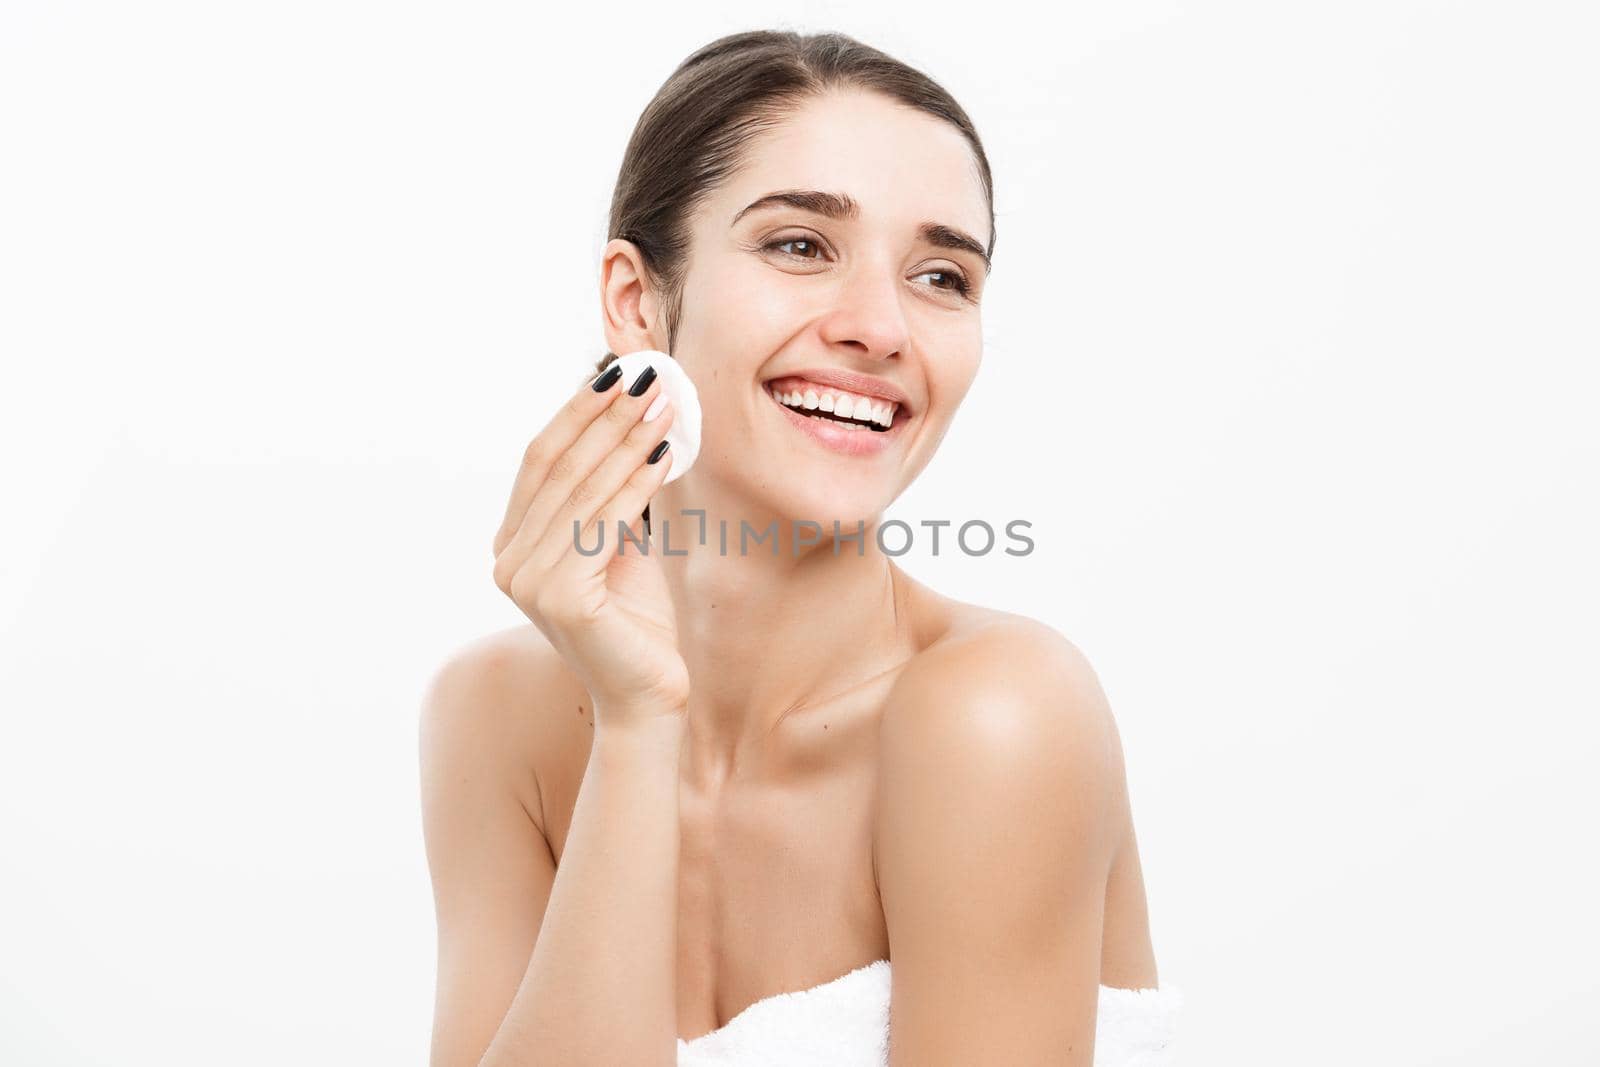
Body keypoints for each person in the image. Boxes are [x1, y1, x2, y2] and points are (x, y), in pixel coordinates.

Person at [421, 29, 1175, 1066]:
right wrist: (639, 725)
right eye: (800, 245)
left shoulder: (994, 714)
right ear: (638, 301)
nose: (881, 326)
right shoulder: (497, 715)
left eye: (942, 275)